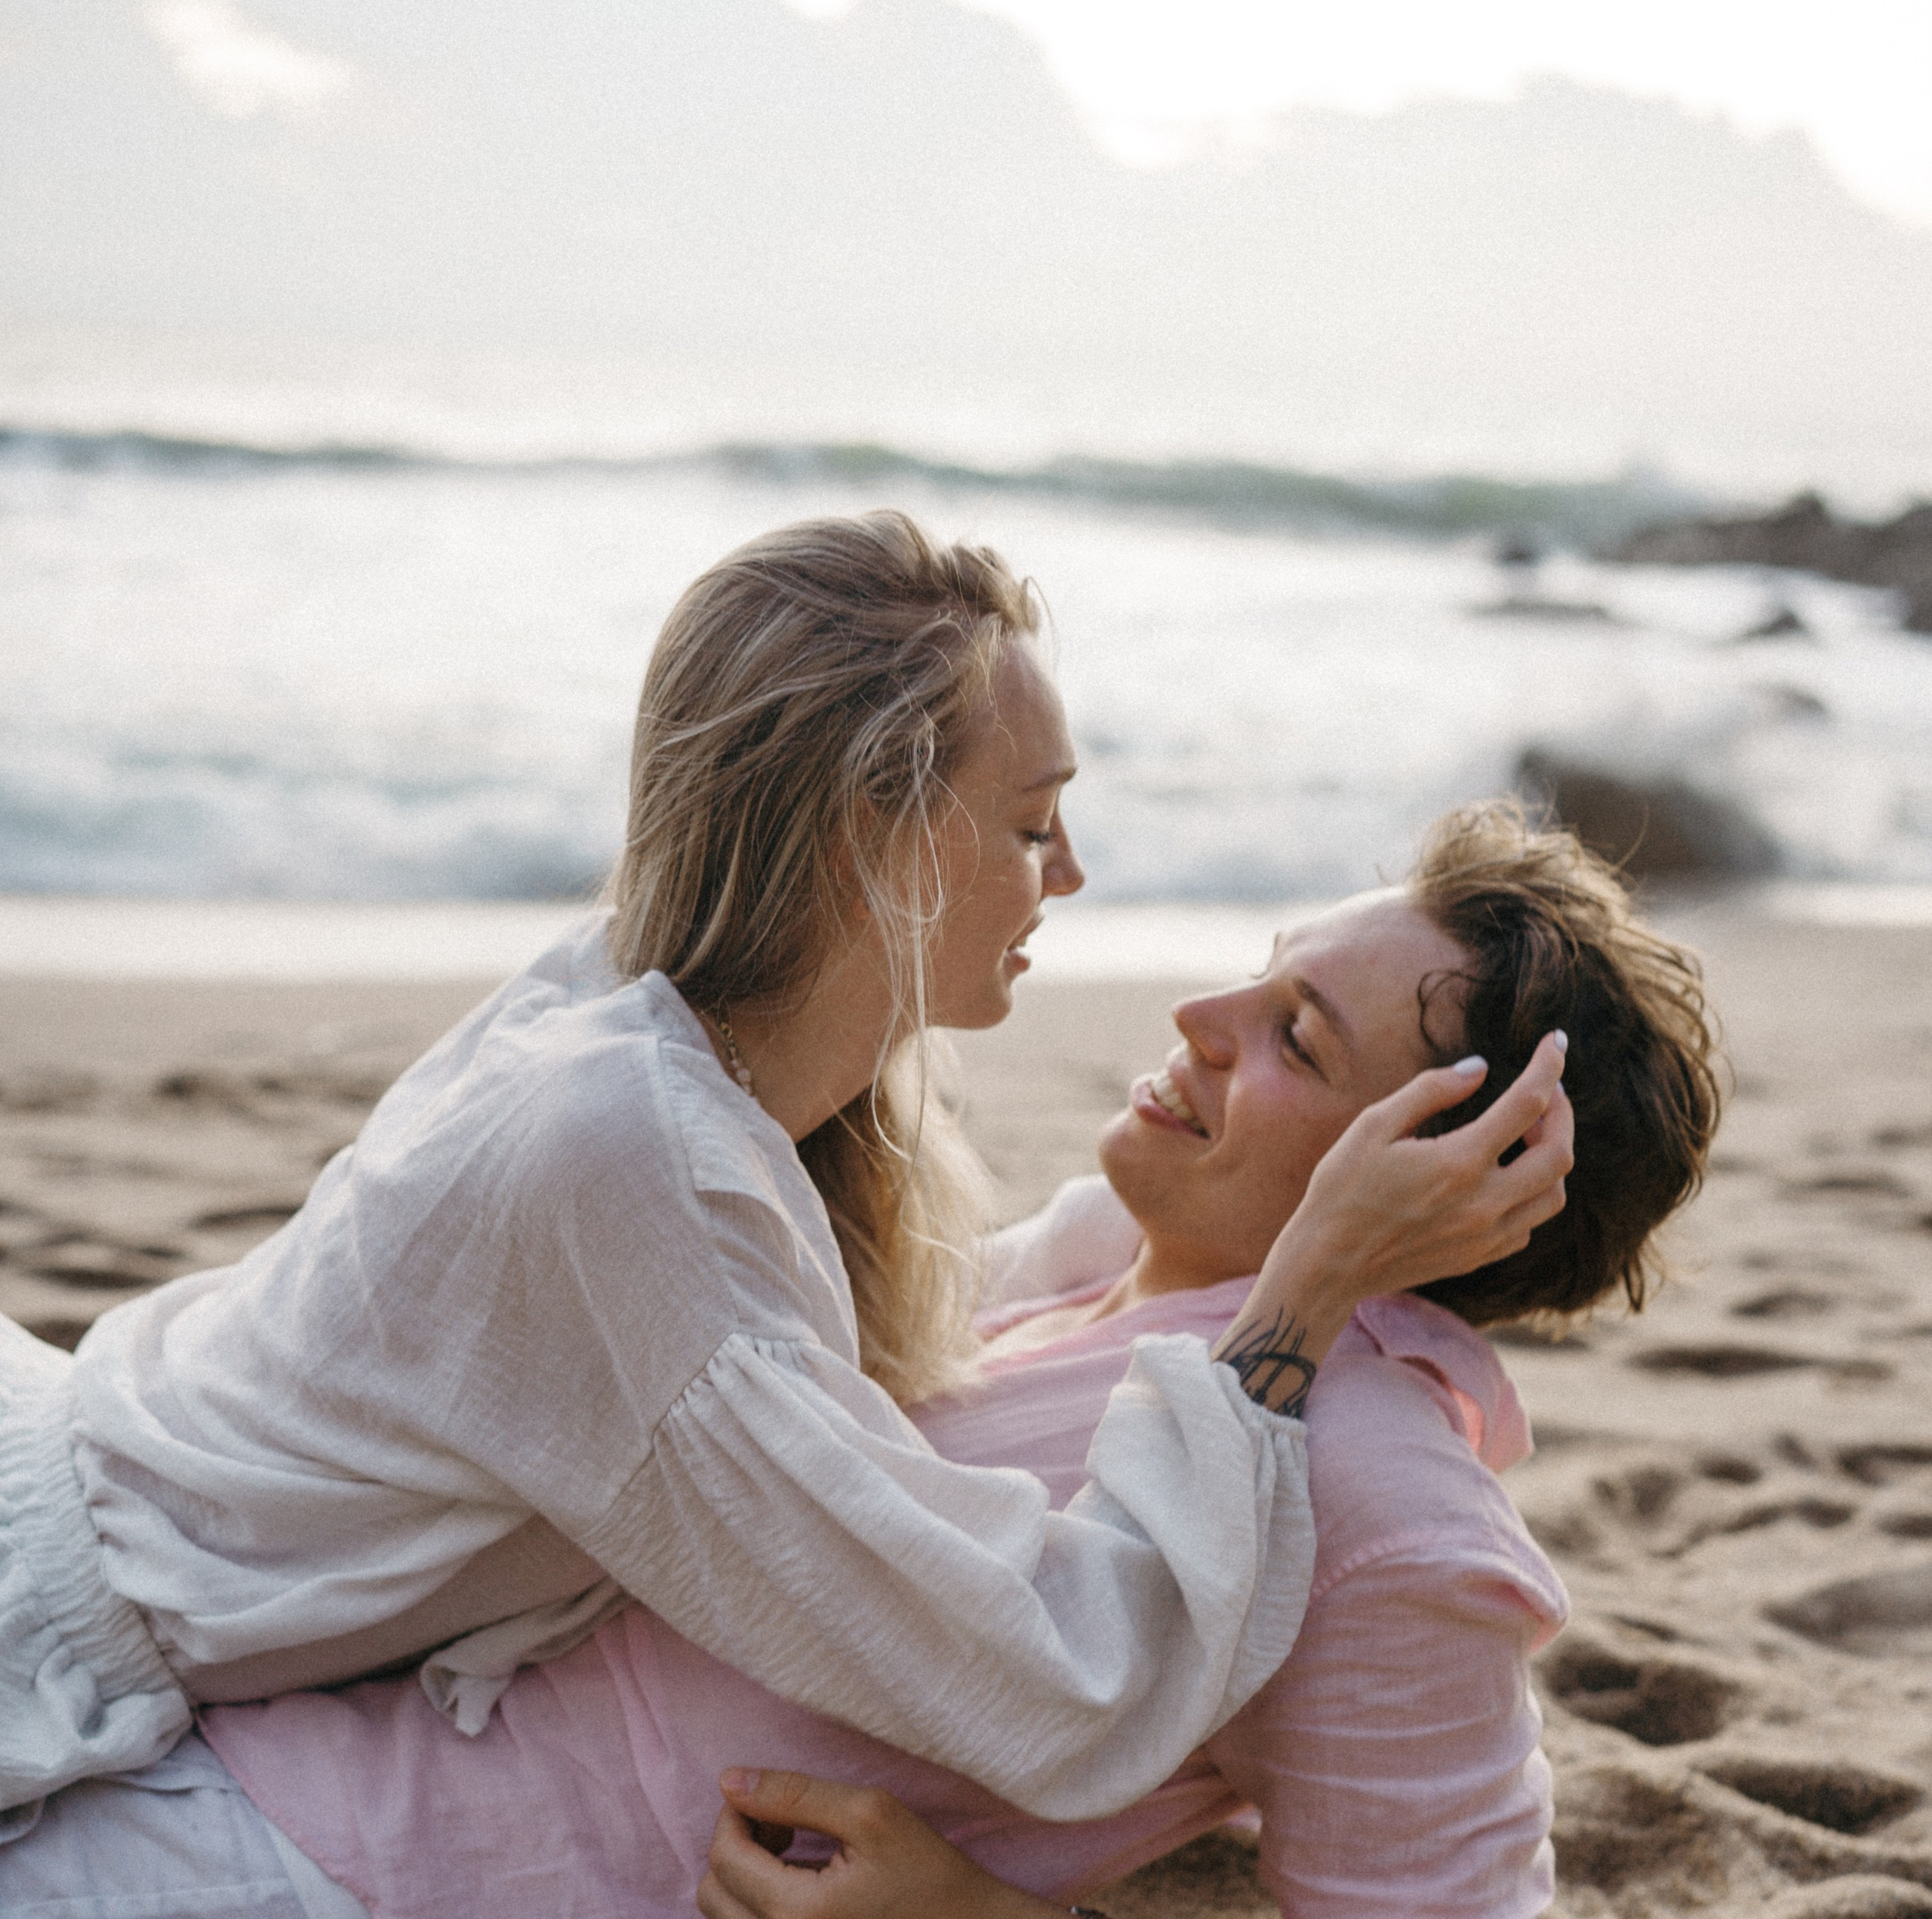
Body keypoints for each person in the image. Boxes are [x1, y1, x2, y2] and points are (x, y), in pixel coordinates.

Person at [1, 804, 1710, 1919]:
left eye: (1295, 1040)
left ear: (1445, 1174)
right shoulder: (1106, 1257)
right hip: (270, 1643)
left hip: (363, 1887)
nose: (1198, 1021)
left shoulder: (1383, 1503)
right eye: (1258, 976)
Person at [0, 514, 1567, 1847]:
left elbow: (937, 1321)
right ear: (868, 837)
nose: (1070, 875)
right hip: (48, 1619)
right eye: (1030, 825)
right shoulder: (632, 1156)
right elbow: (1057, 1681)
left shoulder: (678, 1023)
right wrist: (1305, 1286)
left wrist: (1262, 1215)